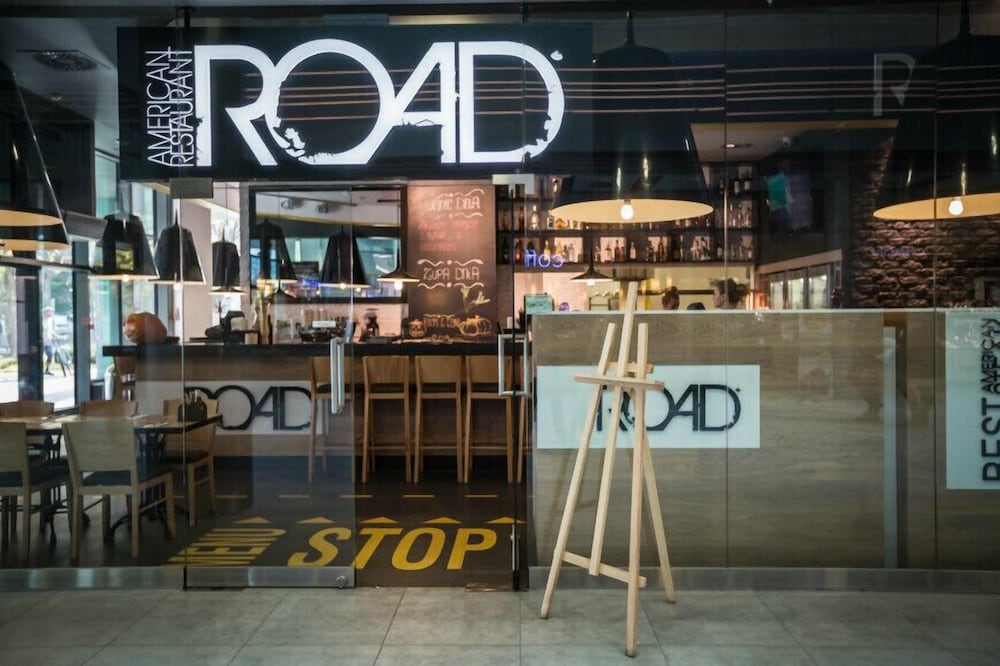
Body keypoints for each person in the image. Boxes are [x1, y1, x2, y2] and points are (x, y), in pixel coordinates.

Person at [43, 306, 68, 376]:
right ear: (45, 312)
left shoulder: (50, 320)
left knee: (50, 355)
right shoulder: (42, 320)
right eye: (49, 312)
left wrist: (58, 337)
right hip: (42, 341)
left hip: (48, 341)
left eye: (51, 312)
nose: (50, 313)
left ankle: (47, 369)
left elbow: (51, 331)